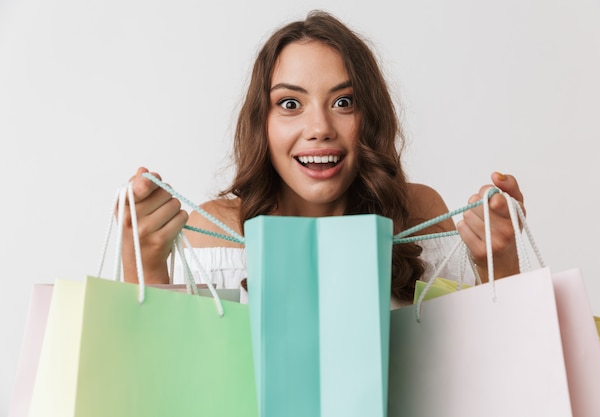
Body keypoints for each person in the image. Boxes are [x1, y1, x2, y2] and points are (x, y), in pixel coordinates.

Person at [122, 10, 524, 308]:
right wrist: (142, 269)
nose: (320, 127)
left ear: (370, 117)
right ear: (262, 122)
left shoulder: (418, 213)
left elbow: (474, 377)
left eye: (343, 102)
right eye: (290, 103)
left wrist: (499, 267)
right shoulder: (213, 231)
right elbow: (174, 383)